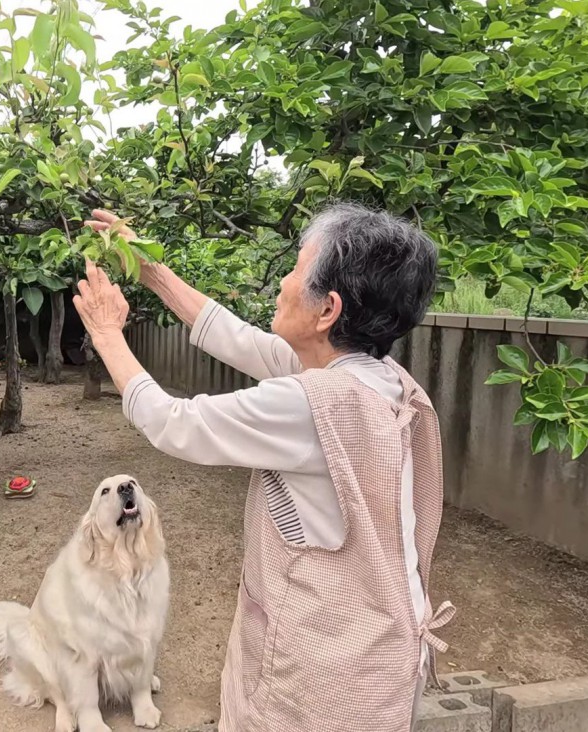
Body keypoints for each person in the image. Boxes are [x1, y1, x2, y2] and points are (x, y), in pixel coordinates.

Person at [71, 204, 453, 732]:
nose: (283, 280)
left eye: (297, 270)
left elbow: (172, 422)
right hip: (383, 654)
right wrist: (149, 268)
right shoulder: (379, 378)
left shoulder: (310, 403)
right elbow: (236, 338)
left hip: (323, 676)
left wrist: (107, 332)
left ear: (328, 310)